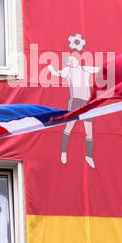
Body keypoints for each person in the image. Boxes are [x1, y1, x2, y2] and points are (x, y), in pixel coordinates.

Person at [47, 35, 99, 168]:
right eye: (68, 60)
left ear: (76, 59)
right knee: (69, 126)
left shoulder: (85, 68)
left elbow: (98, 69)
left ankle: (89, 156)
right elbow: (56, 73)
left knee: (89, 131)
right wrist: (52, 70)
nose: (70, 62)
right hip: (74, 101)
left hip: (87, 103)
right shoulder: (68, 71)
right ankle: (63, 152)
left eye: (71, 59)